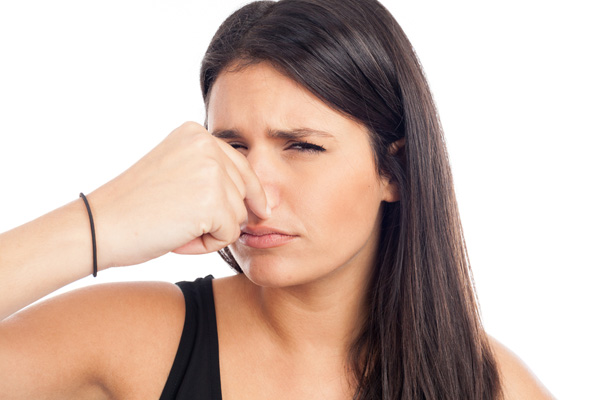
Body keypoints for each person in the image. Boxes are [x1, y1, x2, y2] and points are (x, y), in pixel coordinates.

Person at [0, 0, 554, 398]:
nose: (254, 193)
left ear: (396, 170)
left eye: (303, 147)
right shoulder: (134, 338)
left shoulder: (495, 388)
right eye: (233, 147)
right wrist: (100, 224)